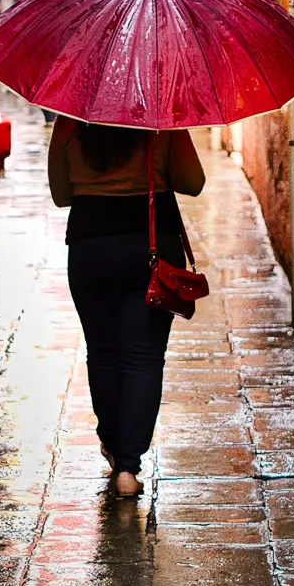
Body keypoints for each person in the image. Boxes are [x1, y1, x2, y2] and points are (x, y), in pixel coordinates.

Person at [48, 118, 205, 498]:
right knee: (143, 358)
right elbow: (193, 182)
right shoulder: (161, 118)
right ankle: (128, 467)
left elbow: (61, 193)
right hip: (151, 245)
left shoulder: (71, 120)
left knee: (102, 353)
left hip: (90, 244)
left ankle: (114, 445)